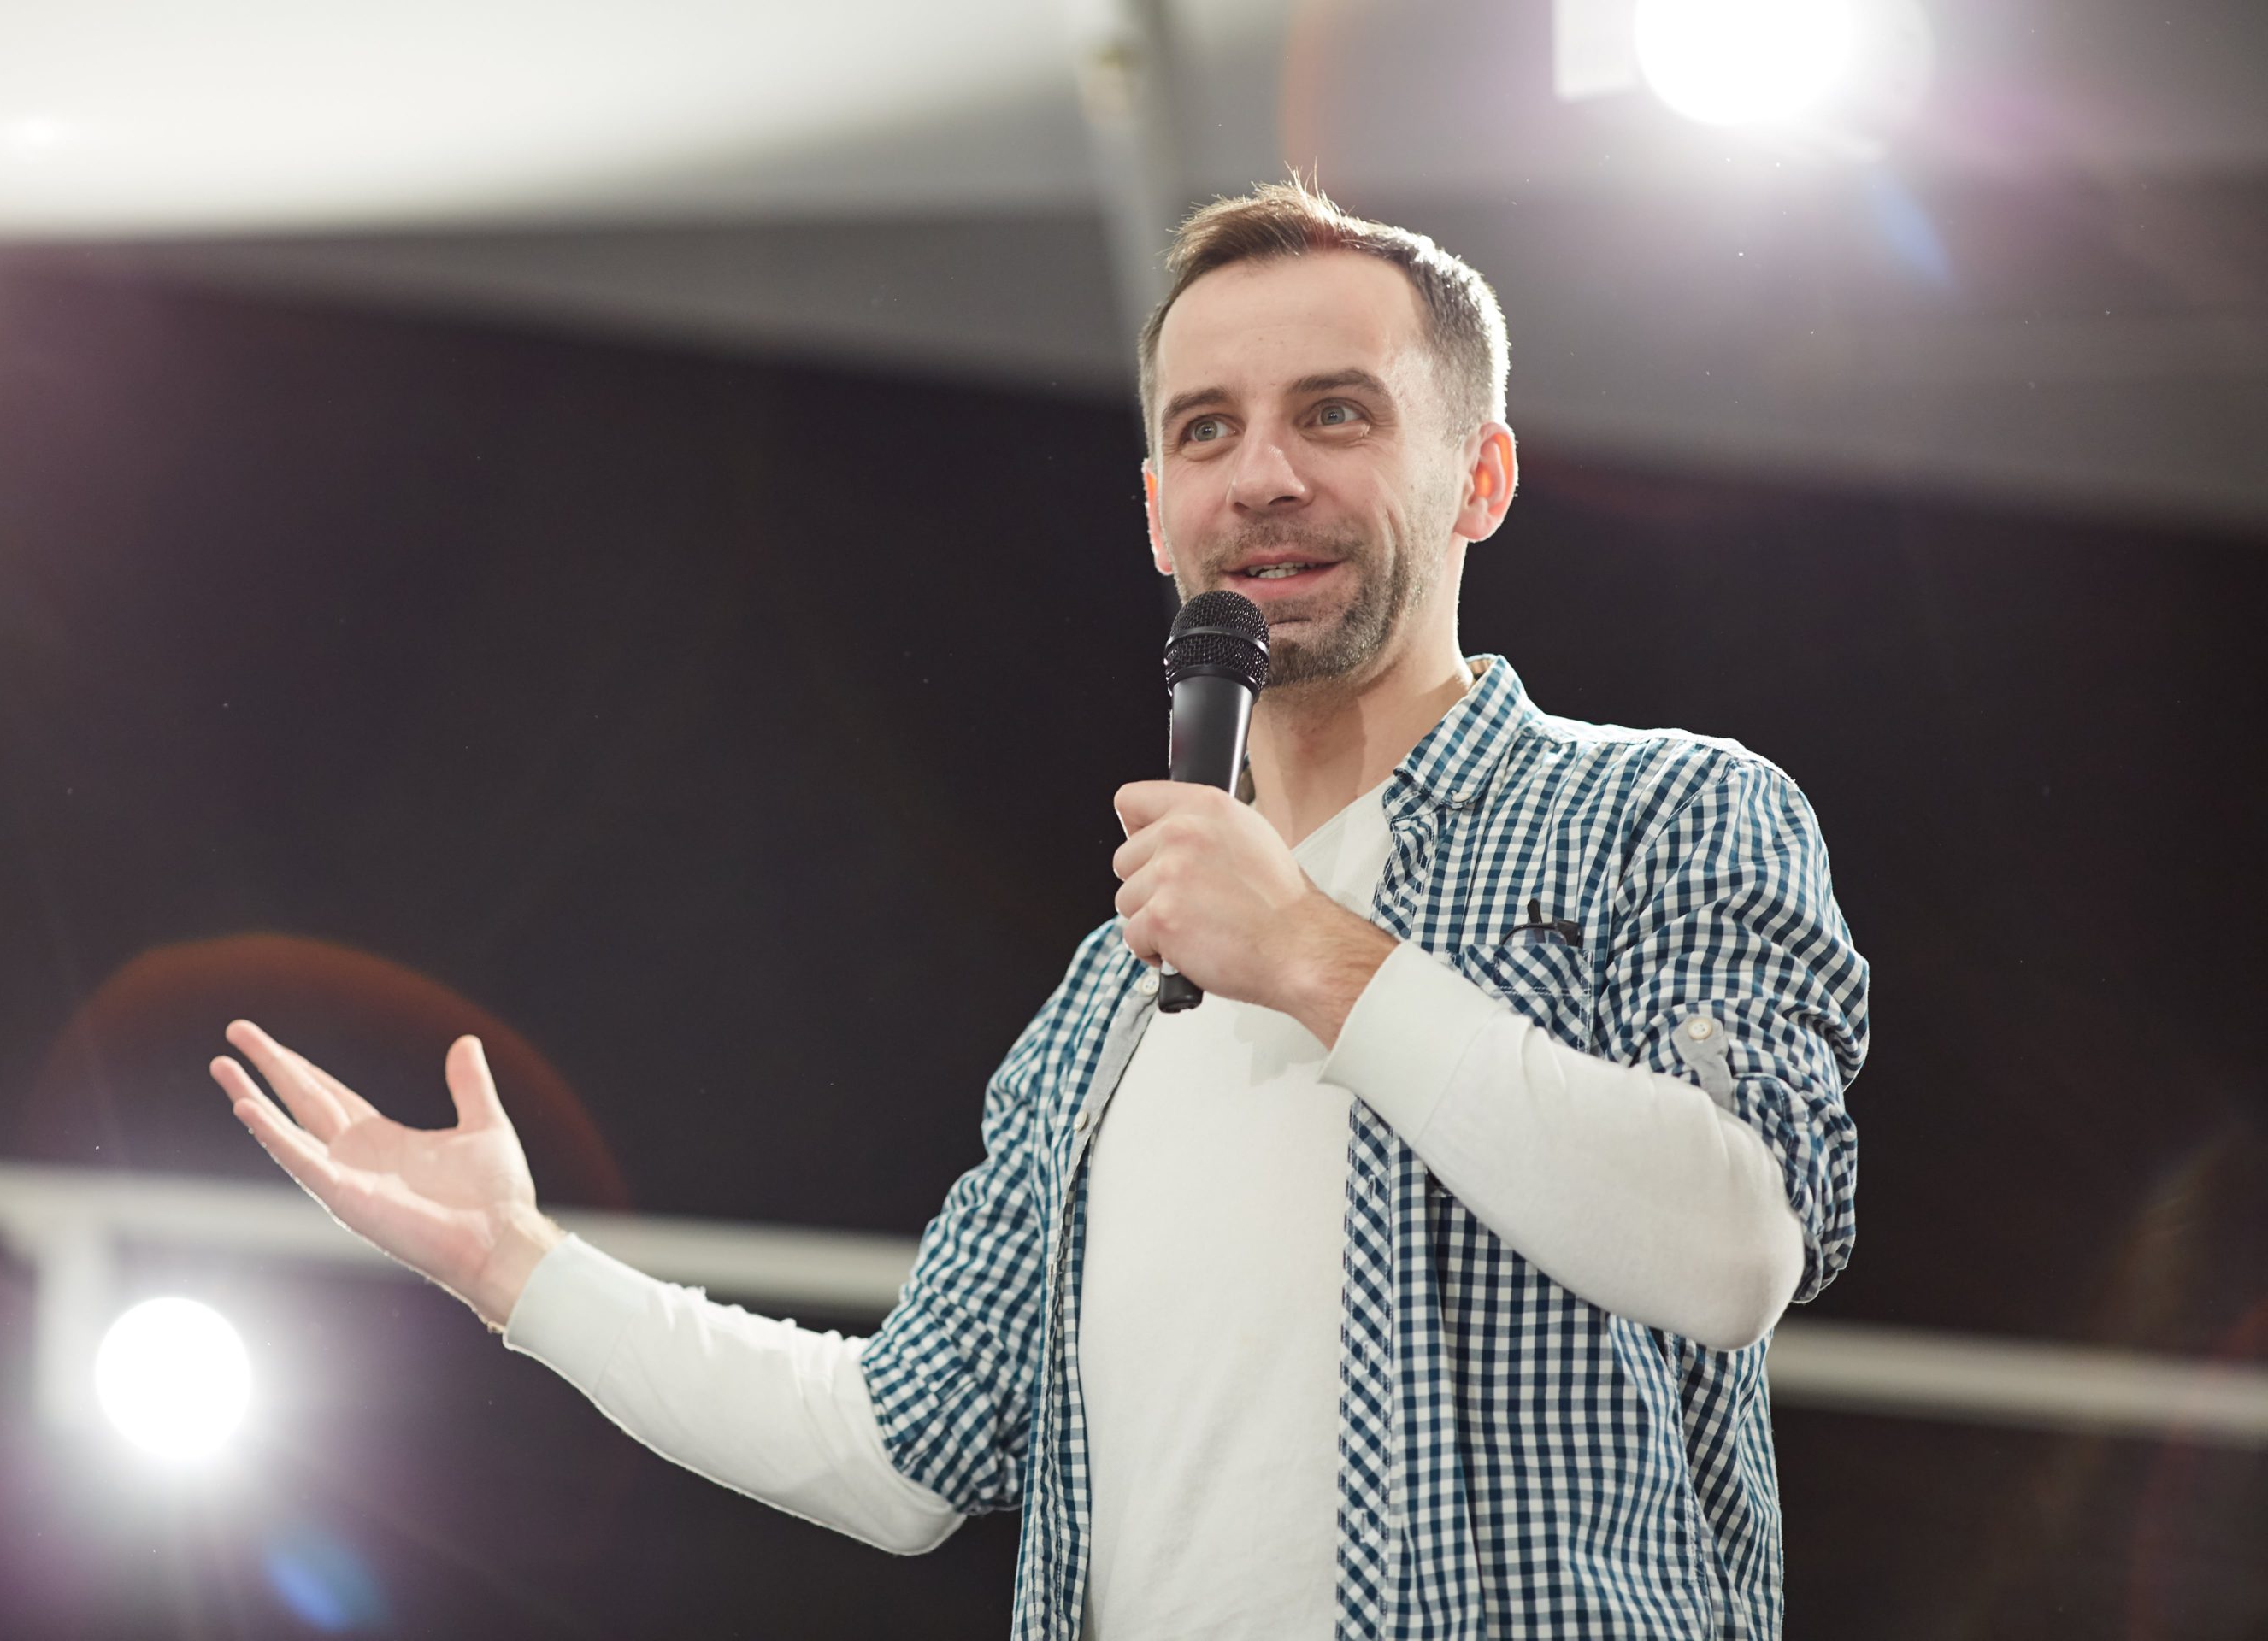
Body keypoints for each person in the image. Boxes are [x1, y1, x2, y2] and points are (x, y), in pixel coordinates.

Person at [211, 180, 1867, 1640]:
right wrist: (520, 1269)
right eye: (1206, 430)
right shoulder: (1113, 993)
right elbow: (898, 1453)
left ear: (1481, 476)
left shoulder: (1662, 811)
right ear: (1156, 507)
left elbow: (1731, 1247)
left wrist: (1307, 953)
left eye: (1339, 416)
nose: (1262, 475)